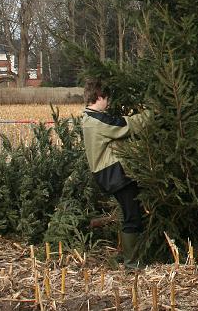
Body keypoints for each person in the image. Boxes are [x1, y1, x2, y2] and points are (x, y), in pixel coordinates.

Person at [82, 78, 151, 268]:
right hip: (115, 175)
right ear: (99, 97)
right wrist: (152, 114)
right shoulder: (98, 121)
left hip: (109, 174)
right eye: (107, 98)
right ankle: (131, 263)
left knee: (131, 212)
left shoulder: (89, 117)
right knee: (132, 216)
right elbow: (126, 126)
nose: (109, 103)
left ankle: (129, 256)